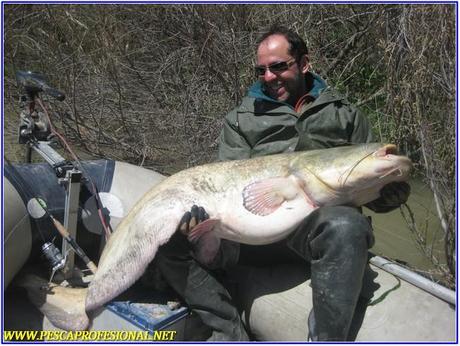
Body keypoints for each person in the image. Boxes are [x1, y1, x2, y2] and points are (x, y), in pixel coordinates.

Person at [155, 25, 410, 341]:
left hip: (312, 231)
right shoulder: (241, 119)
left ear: (304, 63)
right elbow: (223, 184)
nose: (269, 76)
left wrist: (390, 194)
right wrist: (199, 219)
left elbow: (369, 190)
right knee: (167, 241)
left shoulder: (346, 116)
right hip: (248, 236)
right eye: (261, 70)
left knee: (346, 225)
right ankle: (228, 330)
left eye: (278, 66)